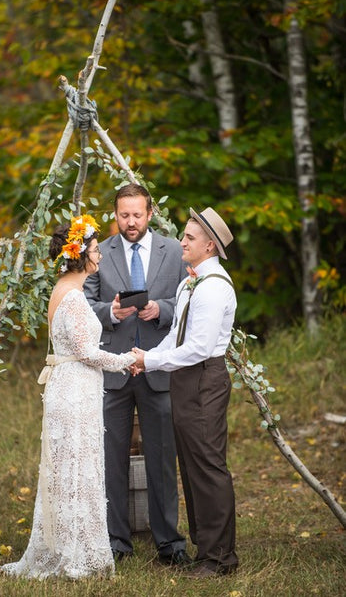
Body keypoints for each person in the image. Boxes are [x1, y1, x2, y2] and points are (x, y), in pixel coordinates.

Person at [1, 215, 136, 580]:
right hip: (75, 388)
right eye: (95, 250)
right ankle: (76, 554)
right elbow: (87, 352)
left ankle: (70, 544)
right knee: (77, 468)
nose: (101, 256)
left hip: (72, 386)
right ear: (79, 255)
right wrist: (127, 360)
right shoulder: (74, 298)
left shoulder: (62, 289)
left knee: (70, 468)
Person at [84, 183, 190, 565]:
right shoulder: (99, 253)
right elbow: (83, 304)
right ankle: (116, 541)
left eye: (137, 215)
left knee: (162, 457)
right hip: (113, 369)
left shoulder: (175, 250)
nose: (131, 222)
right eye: (124, 215)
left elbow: (189, 300)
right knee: (111, 459)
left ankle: (170, 544)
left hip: (158, 368)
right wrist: (111, 313)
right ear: (116, 214)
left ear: (149, 213)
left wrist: (160, 309)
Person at [132, 207, 239, 578]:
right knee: (192, 466)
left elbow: (197, 348)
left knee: (209, 466)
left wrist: (152, 364)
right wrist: (148, 355)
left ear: (209, 245)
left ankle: (220, 558)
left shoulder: (213, 288)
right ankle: (205, 550)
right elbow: (174, 336)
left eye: (189, 238)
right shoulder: (189, 283)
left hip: (204, 379)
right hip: (184, 378)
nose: (182, 242)